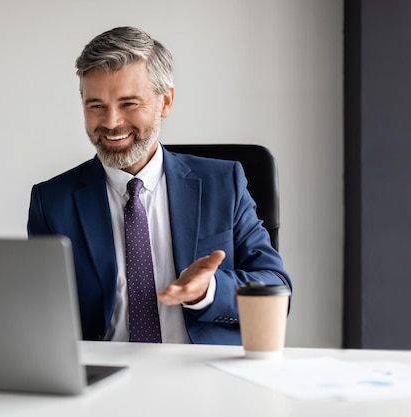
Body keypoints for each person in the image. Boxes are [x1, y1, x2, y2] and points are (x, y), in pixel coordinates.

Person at [27, 26, 292, 344]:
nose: (111, 122)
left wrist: (209, 290)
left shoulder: (223, 183)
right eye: (96, 105)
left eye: (129, 104)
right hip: (104, 375)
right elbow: (43, 313)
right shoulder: (52, 201)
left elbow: (278, 289)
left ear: (165, 101)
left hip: (203, 376)